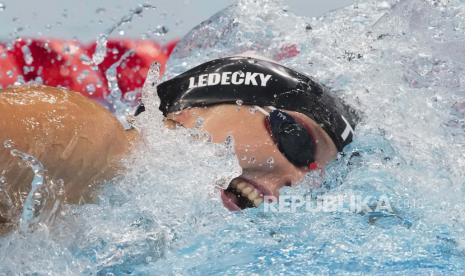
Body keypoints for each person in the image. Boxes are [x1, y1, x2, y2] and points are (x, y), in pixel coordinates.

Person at [0, 56, 357, 231]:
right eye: (297, 141)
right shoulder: (92, 138)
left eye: (315, 184)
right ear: (195, 105)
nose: (297, 181)